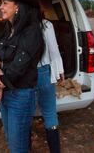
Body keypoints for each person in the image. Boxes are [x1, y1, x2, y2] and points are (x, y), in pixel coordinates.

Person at [0, 0, 44, 153]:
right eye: (1, 3)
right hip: (7, 92)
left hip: (20, 96)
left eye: (5, 3)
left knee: (17, 147)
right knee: (12, 140)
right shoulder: (9, 28)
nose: (1, 7)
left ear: (18, 8)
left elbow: (17, 69)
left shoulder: (32, 32)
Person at [36, 17, 64, 153]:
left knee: (24, 115)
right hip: (43, 72)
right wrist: (59, 71)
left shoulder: (17, 22)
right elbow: (54, 50)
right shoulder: (46, 24)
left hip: (23, 75)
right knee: (50, 113)